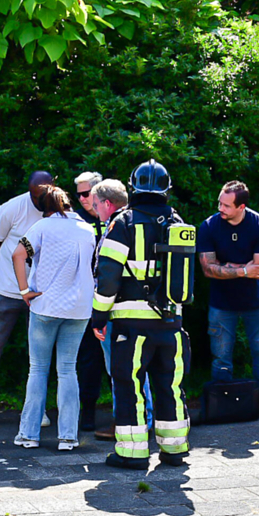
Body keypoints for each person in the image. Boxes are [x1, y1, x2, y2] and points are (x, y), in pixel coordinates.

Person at [92, 160, 192, 469]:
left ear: (133, 187)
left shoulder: (123, 223)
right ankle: (174, 450)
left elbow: (107, 275)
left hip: (132, 328)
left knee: (129, 386)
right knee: (170, 387)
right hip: (172, 325)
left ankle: (132, 454)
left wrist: (99, 317)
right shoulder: (177, 222)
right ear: (167, 189)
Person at [11, 185, 96, 450]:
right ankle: (68, 437)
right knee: (68, 370)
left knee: (37, 370)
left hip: (45, 305)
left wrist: (25, 291)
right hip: (80, 308)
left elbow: (18, 254)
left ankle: (29, 435)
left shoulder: (42, 227)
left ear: (44, 208)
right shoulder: (87, 229)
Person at [0, 171, 51, 428]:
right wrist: (16, 272)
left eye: (45, 196)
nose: (41, 202)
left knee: (38, 353)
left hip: (39, 294)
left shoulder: (57, 209)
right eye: (37, 198)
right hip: (6, 290)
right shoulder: (12, 207)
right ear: (29, 190)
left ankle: (38, 408)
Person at [197, 181, 259, 420]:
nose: (220, 208)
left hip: (255, 303)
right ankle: (222, 403)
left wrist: (226, 268)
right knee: (221, 354)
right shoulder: (208, 226)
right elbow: (207, 269)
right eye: (219, 203)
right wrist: (241, 270)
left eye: (226, 205)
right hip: (221, 303)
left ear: (241, 206)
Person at [89, 179, 153, 442]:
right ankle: (145, 419)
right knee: (143, 369)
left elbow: (107, 276)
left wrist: (99, 316)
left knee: (122, 370)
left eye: (94, 205)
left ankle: (130, 421)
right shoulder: (143, 221)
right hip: (150, 310)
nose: (93, 210)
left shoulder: (118, 226)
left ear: (107, 203)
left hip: (120, 311)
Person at [73, 171, 106, 432]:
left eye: (86, 193)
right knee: (89, 358)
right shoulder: (75, 220)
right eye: (79, 194)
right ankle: (88, 411)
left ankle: (127, 414)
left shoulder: (115, 218)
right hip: (85, 299)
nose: (82, 199)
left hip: (115, 298)